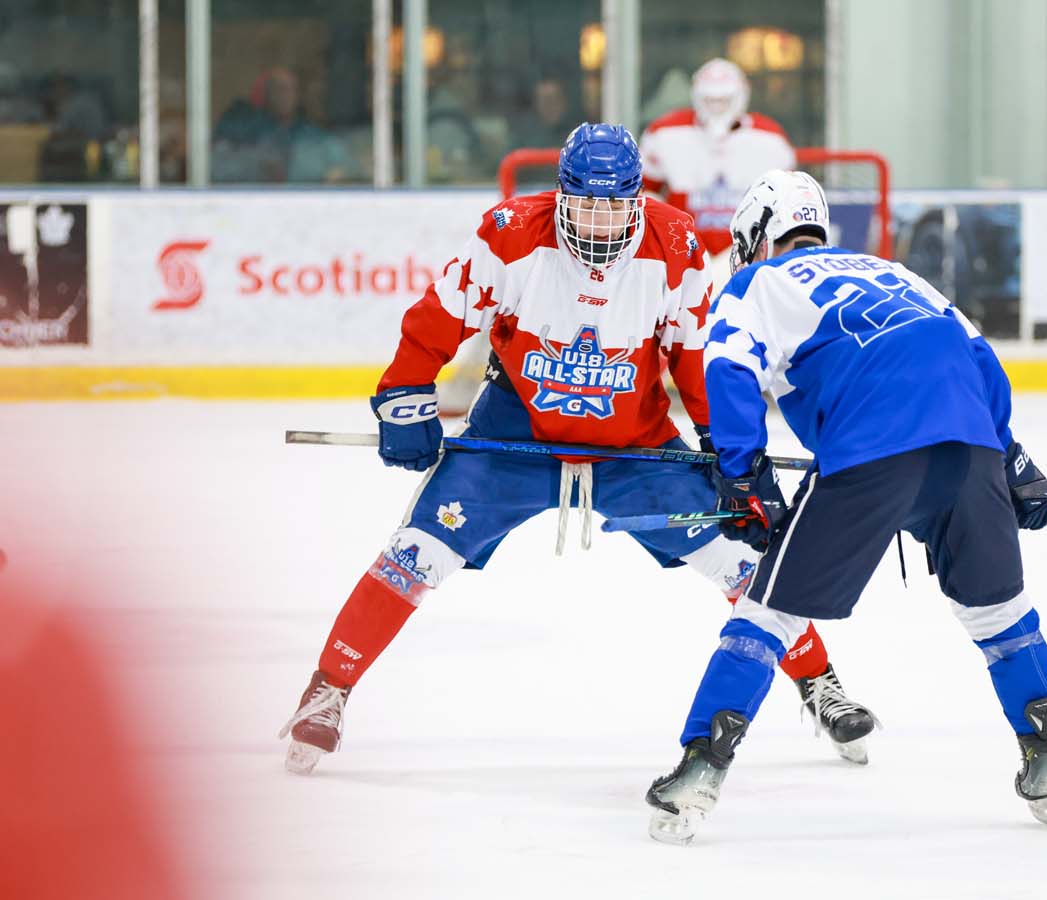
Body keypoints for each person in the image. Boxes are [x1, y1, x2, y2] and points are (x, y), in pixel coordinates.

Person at [279, 126, 876, 776]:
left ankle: (820, 684)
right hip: (515, 439)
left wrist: (726, 447)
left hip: (634, 449)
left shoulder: (675, 245)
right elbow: (439, 317)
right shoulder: (510, 233)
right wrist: (404, 393)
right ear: (561, 197)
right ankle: (328, 689)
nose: (599, 221)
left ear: (637, 200)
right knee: (412, 555)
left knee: (744, 564)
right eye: (586, 204)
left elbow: (694, 357)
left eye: (614, 206)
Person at [644, 170, 1047, 845]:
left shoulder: (758, 281)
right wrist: (1010, 457)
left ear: (758, 236)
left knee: (768, 615)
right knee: (1001, 615)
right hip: (968, 447)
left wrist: (742, 471)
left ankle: (700, 767)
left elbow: (729, 368)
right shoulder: (895, 272)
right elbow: (979, 357)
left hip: (871, 452)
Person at [640, 58, 795, 286]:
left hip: (744, 254)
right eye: (710, 100)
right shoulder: (665, 133)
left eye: (724, 100)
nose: (717, 108)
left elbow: (784, 204)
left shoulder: (770, 139)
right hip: (681, 250)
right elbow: (644, 194)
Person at [212, 67, 353, 183]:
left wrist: (340, 173)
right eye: (279, 89)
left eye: (291, 89)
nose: (286, 95)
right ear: (266, 94)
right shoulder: (244, 129)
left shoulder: (311, 135)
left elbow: (347, 168)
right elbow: (215, 167)